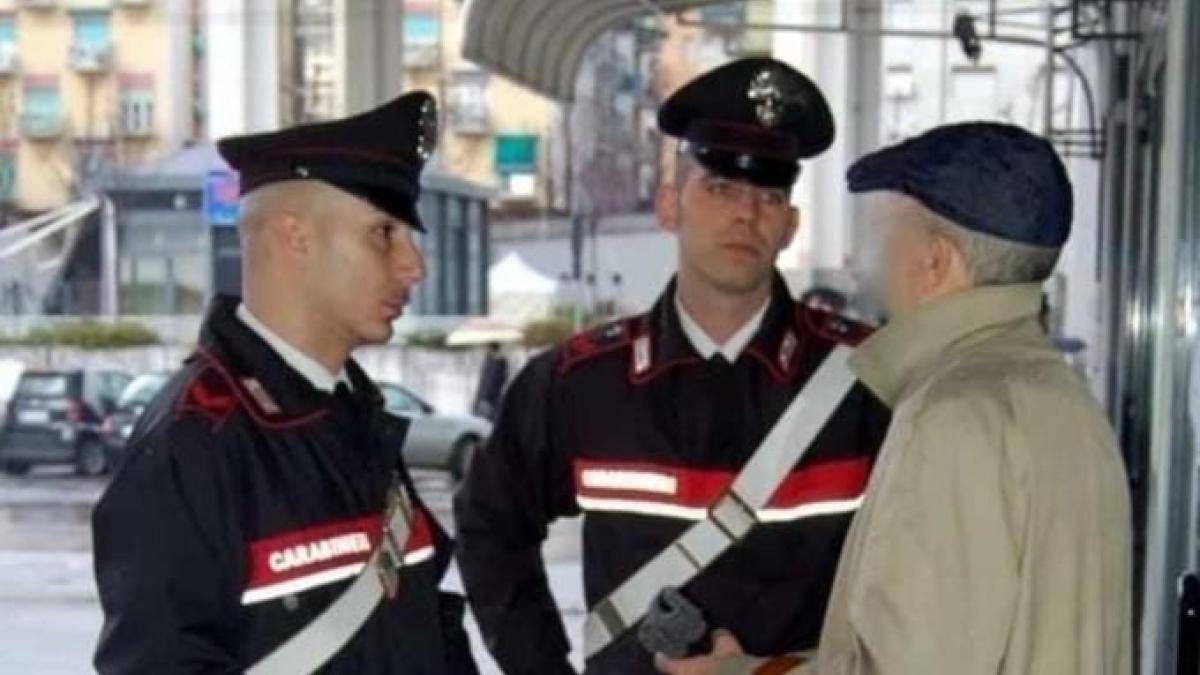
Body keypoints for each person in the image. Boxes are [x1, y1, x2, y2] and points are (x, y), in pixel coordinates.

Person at [454, 57, 890, 674]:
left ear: (790, 225)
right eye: (719, 188)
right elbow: (490, 527)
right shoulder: (583, 384)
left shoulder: (864, 380)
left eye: (769, 195)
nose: (746, 214)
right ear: (667, 206)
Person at [658, 122, 1132, 675]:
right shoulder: (1062, 397)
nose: (866, 266)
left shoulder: (952, 415)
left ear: (935, 262)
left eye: (882, 240)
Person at [92, 92, 477, 674]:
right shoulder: (194, 442)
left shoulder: (351, 414)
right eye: (383, 233)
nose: (413, 266)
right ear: (296, 235)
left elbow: (423, 620)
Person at [472, 342, 509, 421]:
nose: (483, 349)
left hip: (489, 402)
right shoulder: (488, 361)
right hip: (482, 400)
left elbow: (499, 382)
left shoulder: (500, 362)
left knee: (486, 425)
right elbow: (482, 383)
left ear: (490, 348)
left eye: (485, 347)